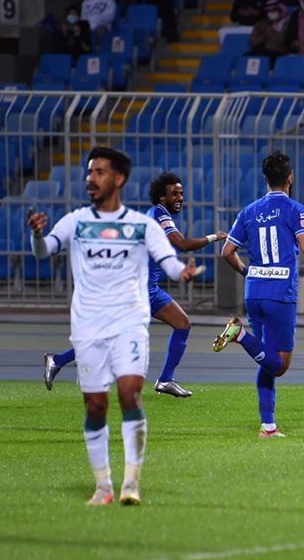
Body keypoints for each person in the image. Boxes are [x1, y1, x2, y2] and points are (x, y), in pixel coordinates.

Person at [27, 146, 194, 504]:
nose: (91, 178)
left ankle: (130, 483)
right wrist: (37, 236)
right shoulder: (75, 221)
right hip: (92, 319)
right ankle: (103, 485)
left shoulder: (140, 224)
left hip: (132, 315)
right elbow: (43, 251)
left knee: (130, 394)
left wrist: (183, 271)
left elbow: (170, 257)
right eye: (89, 172)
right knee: (96, 405)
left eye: (99, 172)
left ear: (118, 179)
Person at [44, 171, 219, 398]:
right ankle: (57, 360)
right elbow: (183, 244)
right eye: (174, 194)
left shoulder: (157, 214)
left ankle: (166, 380)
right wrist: (215, 237)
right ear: (161, 197)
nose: (179, 198)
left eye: (181, 193)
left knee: (182, 324)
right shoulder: (159, 214)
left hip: (149, 289)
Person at [212, 151, 304, 437]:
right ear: (290, 178)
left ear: (265, 179)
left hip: (254, 291)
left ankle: (268, 426)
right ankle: (239, 335)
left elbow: (227, 251)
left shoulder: (248, 211)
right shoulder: (297, 210)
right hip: (280, 293)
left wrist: (247, 271)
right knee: (280, 364)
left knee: (267, 356)